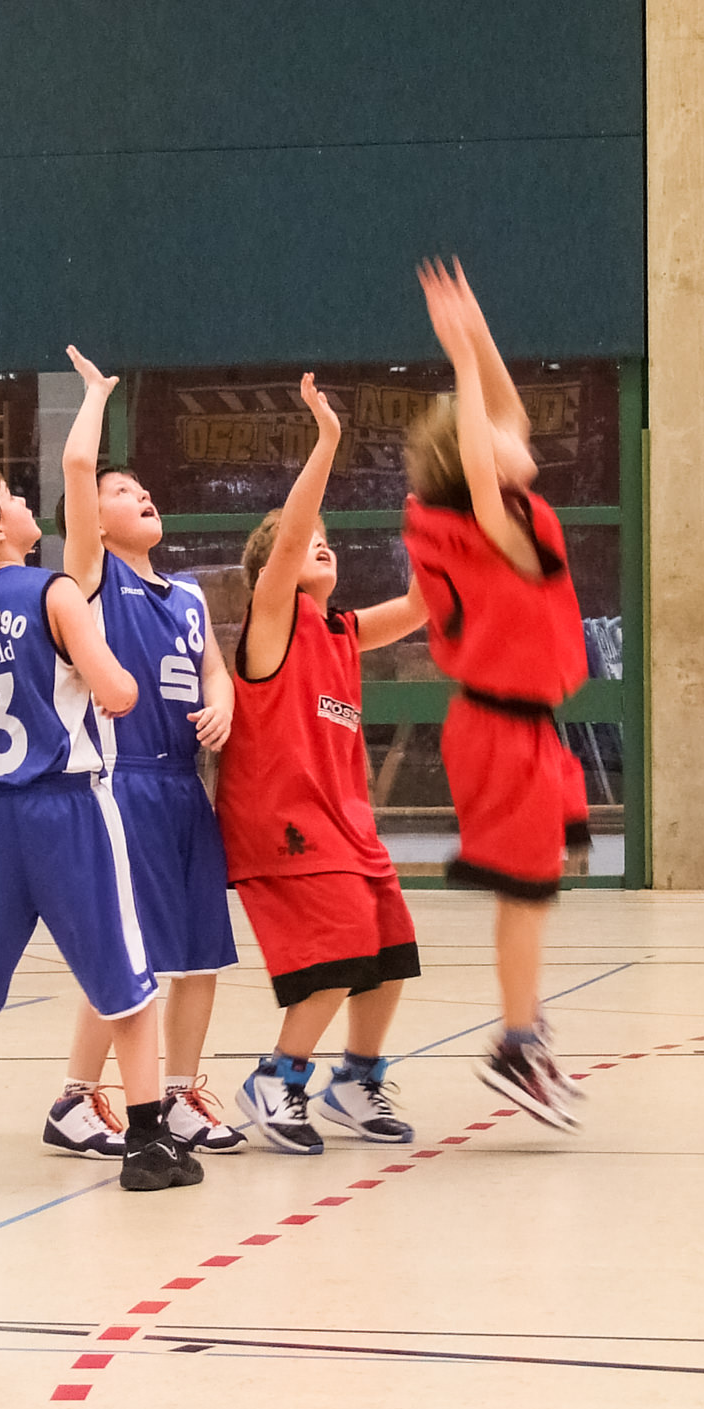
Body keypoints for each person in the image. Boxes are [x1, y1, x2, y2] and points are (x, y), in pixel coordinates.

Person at [0, 457, 200, 1194]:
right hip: (65, 808)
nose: (27, 500)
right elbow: (119, 690)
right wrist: (107, 679)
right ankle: (148, 1142)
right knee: (124, 975)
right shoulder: (53, 591)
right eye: (13, 495)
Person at [39, 347, 245, 1160]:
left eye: (141, 488)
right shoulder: (89, 580)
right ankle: (74, 1096)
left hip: (185, 787)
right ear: (92, 520)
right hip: (121, 783)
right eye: (120, 492)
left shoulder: (186, 593)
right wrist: (94, 396)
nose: (139, 494)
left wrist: (222, 700)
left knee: (200, 954)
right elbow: (77, 465)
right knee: (130, 955)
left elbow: (214, 666)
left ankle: (181, 1091)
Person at [218, 378, 429, 1154]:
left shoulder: (342, 631)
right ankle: (277, 1075)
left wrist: (444, 517)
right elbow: (288, 539)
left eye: (324, 537)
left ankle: (354, 1078)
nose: (319, 541)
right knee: (339, 949)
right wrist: (328, 440)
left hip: (346, 825)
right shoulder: (272, 620)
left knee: (390, 951)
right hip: (284, 823)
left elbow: (420, 607)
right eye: (305, 538)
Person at [407, 259, 594, 1129]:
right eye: (494, 436)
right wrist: (460, 363)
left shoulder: (484, 514)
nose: (524, 436)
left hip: (522, 727)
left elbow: (504, 418)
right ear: (473, 460)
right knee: (526, 892)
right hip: (497, 729)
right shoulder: (500, 528)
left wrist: (477, 331)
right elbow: (487, 468)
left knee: (538, 886)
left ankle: (527, 1027)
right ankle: (517, 1042)